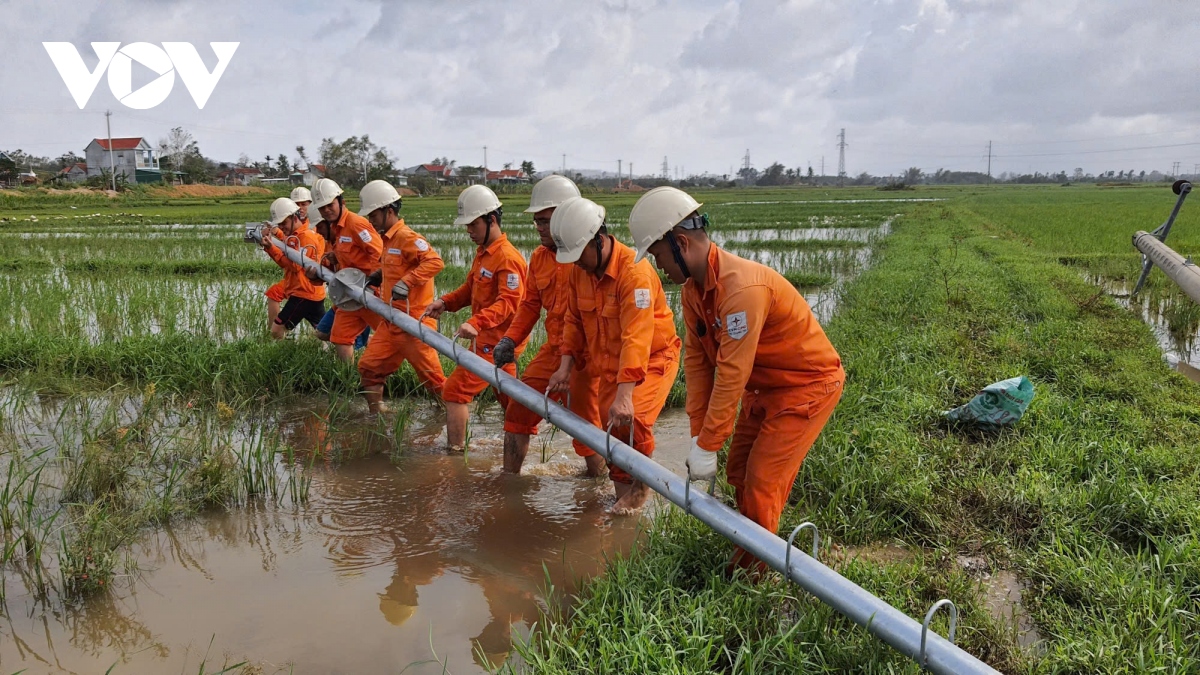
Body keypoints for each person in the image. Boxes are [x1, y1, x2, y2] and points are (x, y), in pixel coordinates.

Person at [629, 186, 845, 573]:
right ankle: (756, 544)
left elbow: (731, 372)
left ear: (680, 243)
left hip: (806, 386)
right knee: (737, 471)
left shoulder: (741, 289)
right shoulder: (694, 290)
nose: (659, 266)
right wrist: (699, 434)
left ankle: (754, 574)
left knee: (762, 478)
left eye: (659, 255)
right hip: (765, 387)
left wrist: (710, 442)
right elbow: (697, 364)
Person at [548, 197, 680, 514]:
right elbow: (573, 320)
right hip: (608, 363)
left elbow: (637, 336)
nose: (575, 262)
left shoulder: (635, 275)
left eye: (579, 254)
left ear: (598, 239)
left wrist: (625, 396)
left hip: (652, 360)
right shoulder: (578, 272)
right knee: (612, 433)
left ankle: (641, 485)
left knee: (635, 422)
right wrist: (564, 368)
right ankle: (626, 505)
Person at [492, 176, 604, 476]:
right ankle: (509, 480)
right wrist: (509, 340)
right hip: (553, 351)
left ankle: (600, 485)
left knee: (585, 425)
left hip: (584, 357)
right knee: (519, 407)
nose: (540, 227)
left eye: (545, 220)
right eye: (537, 221)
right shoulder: (540, 258)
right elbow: (529, 305)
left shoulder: (586, 257)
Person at [424, 185, 527, 451]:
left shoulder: (508, 258)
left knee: (454, 392)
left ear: (491, 220)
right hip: (488, 344)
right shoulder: (483, 254)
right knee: (512, 405)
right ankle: (524, 447)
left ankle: (456, 454)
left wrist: (476, 322)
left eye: (473, 224)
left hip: (496, 345)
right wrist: (445, 302)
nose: (468, 231)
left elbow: (510, 302)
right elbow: (470, 290)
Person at [354, 180, 447, 413]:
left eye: (373, 215)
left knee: (434, 382)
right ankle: (378, 415)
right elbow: (397, 267)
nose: (371, 221)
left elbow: (434, 262)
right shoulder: (387, 239)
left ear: (390, 211)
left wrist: (407, 282)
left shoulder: (406, 237)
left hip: (414, 323)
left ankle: (452, 417)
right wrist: (380, 275)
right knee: (368, 367)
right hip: (391, 321)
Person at [308, 177, 383, 362]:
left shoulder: (356, 224)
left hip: (368, 294)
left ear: (341, 202)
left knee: (393, 336)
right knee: (340, 338)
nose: (326, 210)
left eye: (330, 205)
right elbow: (346, 260)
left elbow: (379, 254)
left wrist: (373, 285)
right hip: (349, 295)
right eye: (322, 207)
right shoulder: (336, 229)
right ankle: (347, 380)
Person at [258, 196, 326, 338]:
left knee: (277, 329)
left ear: (294, 218)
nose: (282, 227)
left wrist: (271, 247)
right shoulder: (293, 236)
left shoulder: (306, 238)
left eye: (284, 223)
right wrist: (271, 245)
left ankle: (278, 356)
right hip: (310, 293)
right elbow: (286, 261)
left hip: (304, 293)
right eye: (279, 225)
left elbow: (294, 266)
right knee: (326, 333)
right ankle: (363, 341)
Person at [264, 186, 313, 327]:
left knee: (310, 309)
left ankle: (275, 334)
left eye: (304, 204)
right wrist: (278, 232)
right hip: (295, 280)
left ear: (311, 204)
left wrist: (272, 245)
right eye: (297, 204)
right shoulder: (292, 226)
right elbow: (289, 242)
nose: (300, 207)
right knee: (274, 293)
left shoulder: (313, 227)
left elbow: (295, 260)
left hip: (305, 282)